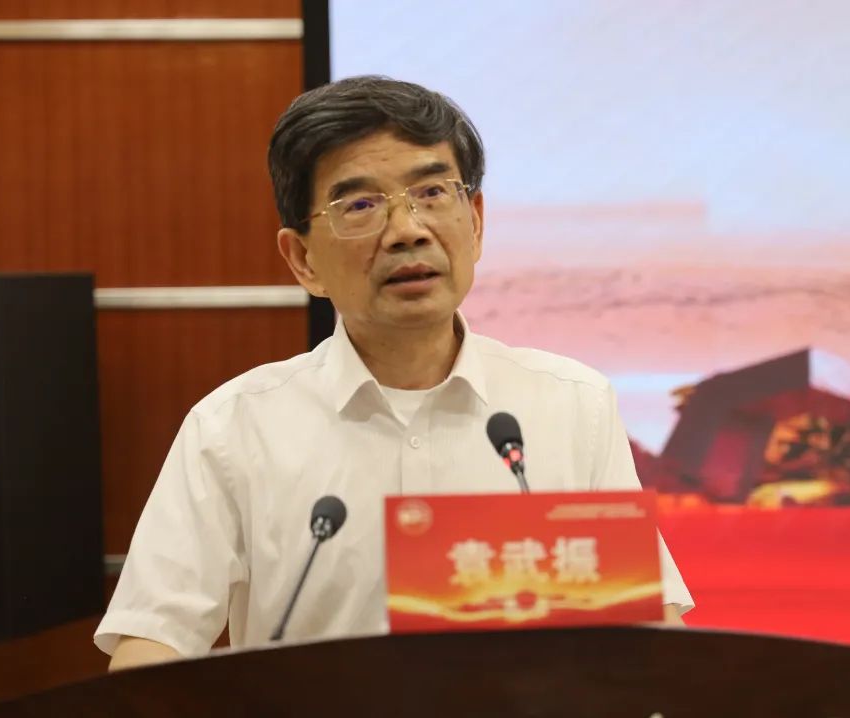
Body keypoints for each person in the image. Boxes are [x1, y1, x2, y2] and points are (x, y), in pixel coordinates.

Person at [96, 76, 694, 670]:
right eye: (359, 206)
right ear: (303, 259)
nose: (408, 230)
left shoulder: (572, 404)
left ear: (475, 221)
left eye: (432, 193)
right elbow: (151, 643)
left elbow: (650, 633)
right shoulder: (234, 427)